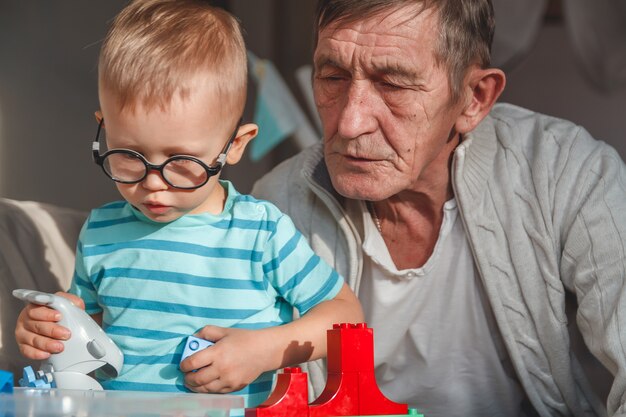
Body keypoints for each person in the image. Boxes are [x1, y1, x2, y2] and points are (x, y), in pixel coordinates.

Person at [252, 0, 626, 416]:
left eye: (393, 84)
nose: (350, 123)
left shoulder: (567, 170)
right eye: (333, 76)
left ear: (474, 99)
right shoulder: (276, 206)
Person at [13, 0, 363, 411]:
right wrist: (46, 331)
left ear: (235, 145)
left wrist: (265, 351)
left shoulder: (260, 232)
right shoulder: (101, 232)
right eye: (128, 155)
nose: (153, 184)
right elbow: (89, 340)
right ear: (104, 127)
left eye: (181, 162)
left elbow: (346, 315)